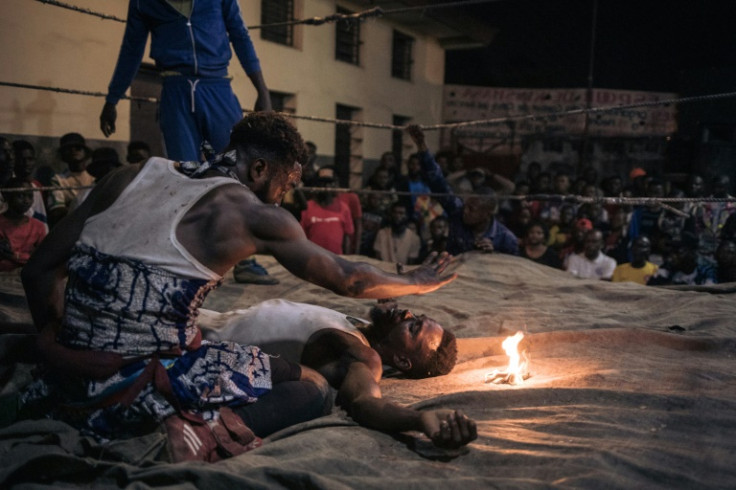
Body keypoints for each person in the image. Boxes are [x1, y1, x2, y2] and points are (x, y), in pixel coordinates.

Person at [21, 112, 455, 453]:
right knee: (313, 389)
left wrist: (59, 345)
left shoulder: (130, 174)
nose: (282, 199)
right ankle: (192, 434)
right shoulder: (251, 213)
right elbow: (351, 279)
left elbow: (38, 270)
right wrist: (414, 280)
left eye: (415, 325)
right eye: (284, 186)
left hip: (66, 369)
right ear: (260, 169)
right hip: (136, 380)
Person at [200, 299, 476, 449]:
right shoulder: (365, 326)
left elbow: (365, 402)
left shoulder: (362, 354)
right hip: (200, 320)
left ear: (403, 360)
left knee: (315, 389)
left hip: (197, 350)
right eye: (416, 316)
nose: (406, 313)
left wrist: (417, 418)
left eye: (413, 328)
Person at [99, 0, 271, 161]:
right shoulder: (142, 2)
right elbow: (131, 51)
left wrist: (262, 91)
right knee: (184, 170)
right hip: (176, 92)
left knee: (234, 162)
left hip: (218, 88)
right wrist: (112, 99)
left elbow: (240, 34)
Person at [408, 125, 518, 256]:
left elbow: (514, 271)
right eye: (466, 206)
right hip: (452, 274)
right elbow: (438, 183)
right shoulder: (457, 211)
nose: (465, 211)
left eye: (471, 209)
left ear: (487, 213)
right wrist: (422, 146)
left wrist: (494, 255)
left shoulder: (506, 238)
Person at [300, 166, 355, 255]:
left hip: (337, 260)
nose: (326, 187)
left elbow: (347, 237)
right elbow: (301, 237)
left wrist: (346, 259)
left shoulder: (344, 208)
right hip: (313, 258)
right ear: (316, 185)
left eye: (330, 183)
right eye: (322, 183)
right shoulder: (307, 207)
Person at [46, 133, 95, 228]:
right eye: (68, 148)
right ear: (63, 155)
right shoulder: (58, 180)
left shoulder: (94, 177)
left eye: (78, 148)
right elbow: (56, 211)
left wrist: (69, 207)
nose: (73, 151)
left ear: (85, 152)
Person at [0, 178, 47, 272]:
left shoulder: (38, 227)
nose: (26, 201)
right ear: (6, 196)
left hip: (28, 276)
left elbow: (43, 257)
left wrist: (12, 256)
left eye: (30, 196)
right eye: (21, 196)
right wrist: (26, 257)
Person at [373, 201, 422, 265]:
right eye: (395, 212)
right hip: (383, 271)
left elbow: (410, 265)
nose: (397, 215)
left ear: (406, 216)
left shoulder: (414, 238)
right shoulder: (381, 233)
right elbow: (378, 260)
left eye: (401, 213)